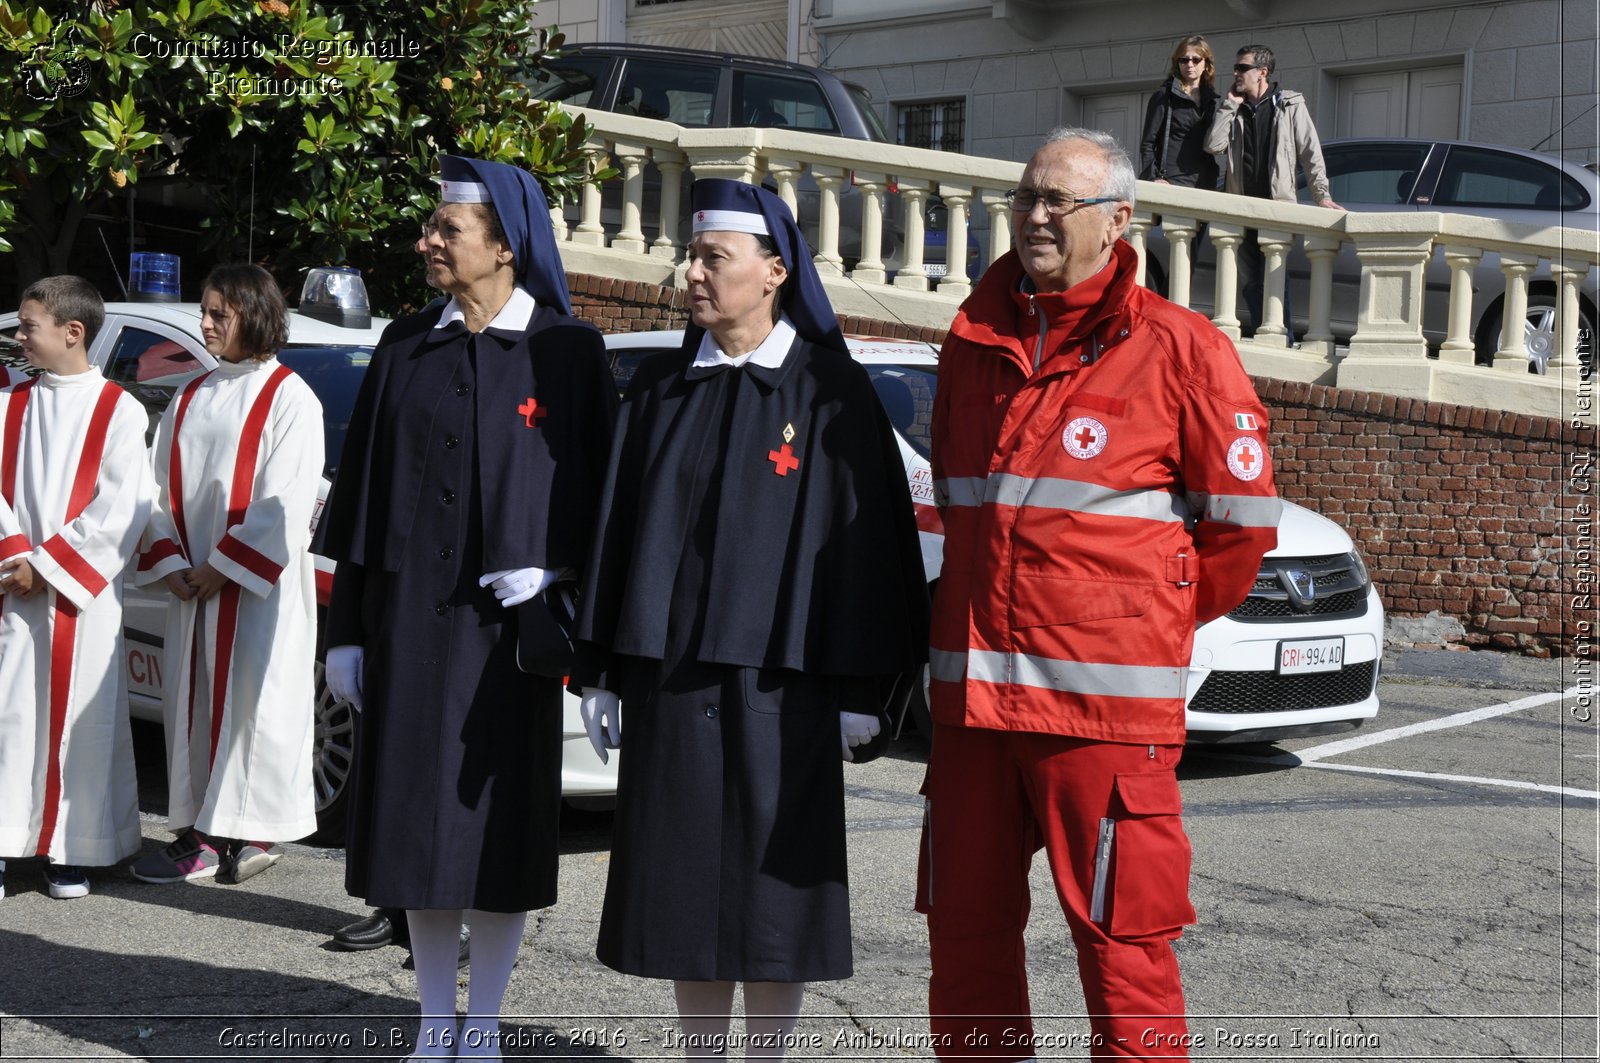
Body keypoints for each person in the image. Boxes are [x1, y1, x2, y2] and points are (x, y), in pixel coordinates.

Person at [921, 128, 1282, 1060]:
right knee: (964, 942)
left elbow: (1239, 533)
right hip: (975, 713)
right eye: (1027, 196)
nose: (1036, 216)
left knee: (1125, 950)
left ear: (1119, 222)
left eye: (1059, 201)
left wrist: (1143, 621)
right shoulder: (970, 339)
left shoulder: (1179, 349)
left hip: (1102, 716)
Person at [572, 178, 927, 1058]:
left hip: (788, 690)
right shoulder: (660, 386)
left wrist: (862, 691)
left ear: (773, 271)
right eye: (690, 257)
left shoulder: (833, 394)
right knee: (687, 882)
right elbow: (617, 528)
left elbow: (870, 552)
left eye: (712, 258)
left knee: (773, 892)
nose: (693, 273)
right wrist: (606, 669)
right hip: (672, 677)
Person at [313, 154, 618, 1061]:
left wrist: (561, 577)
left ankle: (482, 1019)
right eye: (433, 227)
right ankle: (431, 1020)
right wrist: (348, 632)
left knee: (496, 832)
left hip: (505, 641)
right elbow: (365, 492)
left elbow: (604, 498)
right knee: (414, 828)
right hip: (410, 625)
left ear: (505, 243)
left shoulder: (567, 350)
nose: (428, 242)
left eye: (448, 229)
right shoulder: (409, 341)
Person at [130, 264, 323, 886]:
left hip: (256, 590)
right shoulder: (190, 395)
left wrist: (222, 567)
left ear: (256, 316)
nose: (206, 324)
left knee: (257, 706)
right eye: (206, 312)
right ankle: (201, 834)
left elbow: (286, 501)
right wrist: (173, 562)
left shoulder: (290, 396)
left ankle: (254, 831)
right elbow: (153, 490)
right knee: (192, 704)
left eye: (220, 314)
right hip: (194, 584)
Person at [0, 276, 151, 901]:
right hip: (12, 591)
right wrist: (15, 559)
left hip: (80, 602)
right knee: (10, 717)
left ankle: (71, 851)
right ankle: (7, 845)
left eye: (28, 326)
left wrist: (51, 568)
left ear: (72, 331)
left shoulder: (120, 409)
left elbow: (125, 504)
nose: (18, 337)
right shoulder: (8, 406)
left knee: (81, 726)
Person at [1204, 43, 1341, 337]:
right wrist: (1229, 106)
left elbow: (1310, 152)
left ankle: (1284, 339)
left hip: (1276, 208)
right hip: (1242, 209)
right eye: (1236, 67)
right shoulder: (1235, 110)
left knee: (1276, 280)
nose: (1236, 73)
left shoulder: (1289, 105)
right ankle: (1260, 334)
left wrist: (1322, 196)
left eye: (1242, 68)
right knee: (1251, 281)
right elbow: (1213, 146)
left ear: (1262, 72)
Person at [1138, 35, 1220, 190]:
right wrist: (1153, 176)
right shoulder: (1165, 95)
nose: (1189, 64)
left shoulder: (1210, 98)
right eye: (1184, 60)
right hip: (1171, 179)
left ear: (1206, 64)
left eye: (1196, 60)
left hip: (1204, 180)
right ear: (1177, 63)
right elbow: (1148, 142)